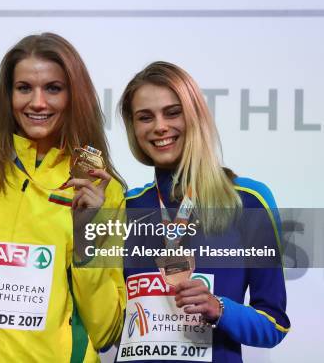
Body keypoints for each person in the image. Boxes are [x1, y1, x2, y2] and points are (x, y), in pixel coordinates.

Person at [0, 33, 127, 362]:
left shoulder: (102, 188)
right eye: (24, 88)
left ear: (74, 96)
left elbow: (106, 328)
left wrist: (87, 234)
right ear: (7, 95)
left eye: (53, 88)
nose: (37, 102)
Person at [115, 61, 290, 362]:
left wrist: (220, 309)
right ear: (134, 129)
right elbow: (102, 321)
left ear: (195, 115)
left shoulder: (247, 201)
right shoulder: (125, 207)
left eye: (173, 112)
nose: (160, 126)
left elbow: (274, 325)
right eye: (145, 117)